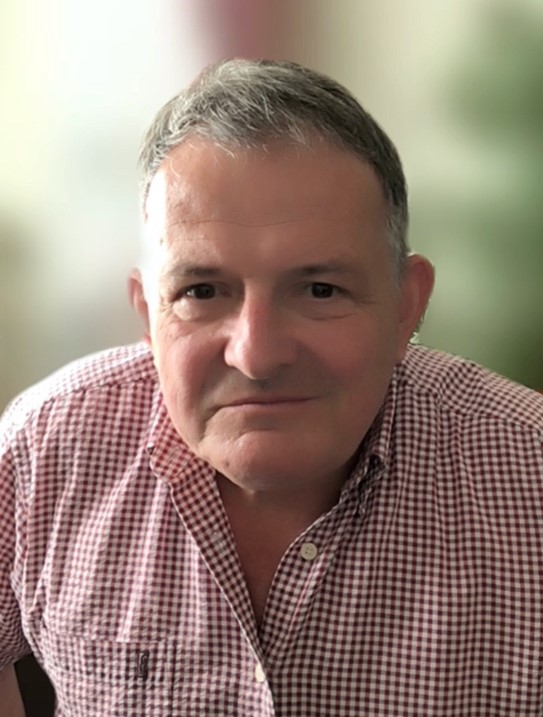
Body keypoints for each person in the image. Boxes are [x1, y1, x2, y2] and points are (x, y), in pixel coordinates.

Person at [0, 59, 541, 717]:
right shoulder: (41, 450)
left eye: (320, 290)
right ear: (148, 315)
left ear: (406, 306)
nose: (255, 354)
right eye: (201, 291)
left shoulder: (529, 475)